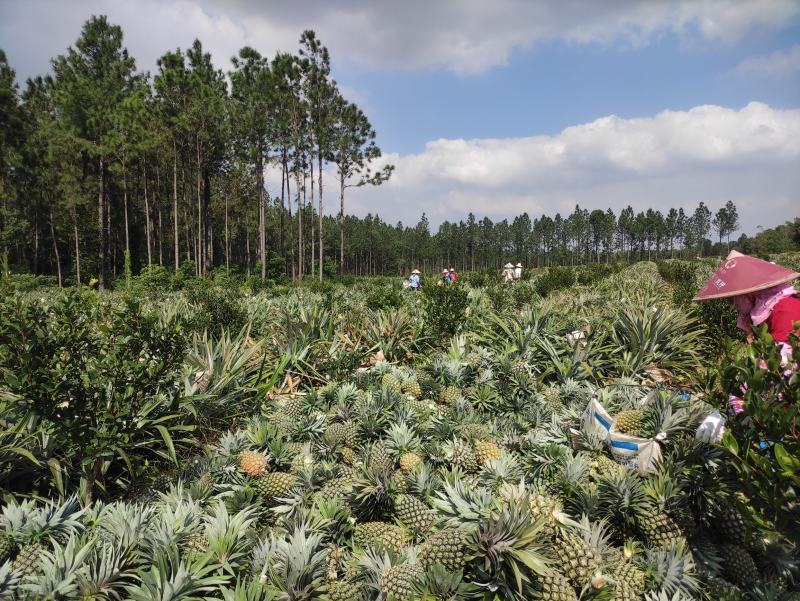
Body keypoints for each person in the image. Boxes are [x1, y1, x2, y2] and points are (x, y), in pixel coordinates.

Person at [694, 250, 800, 416]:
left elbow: (781, 365)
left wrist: (739, 403)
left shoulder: (785, 309)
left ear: (750, 293)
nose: (734, 305)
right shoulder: (767, 311)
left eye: (734, 298)